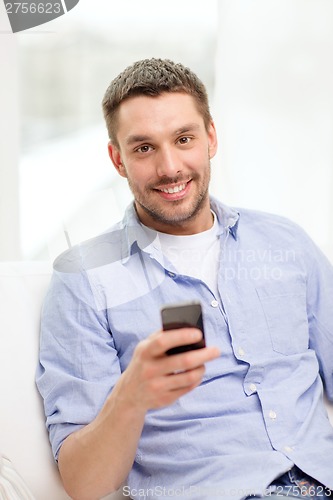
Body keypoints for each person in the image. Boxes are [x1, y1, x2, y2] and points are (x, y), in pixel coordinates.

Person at [36, 58, 333, 500]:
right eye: (143, 148)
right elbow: (85, 484)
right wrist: (132, 395)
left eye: (184, 139)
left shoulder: (283, 241)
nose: (170, 167)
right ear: (117, 159)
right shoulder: (84, 279)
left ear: (210, 137)